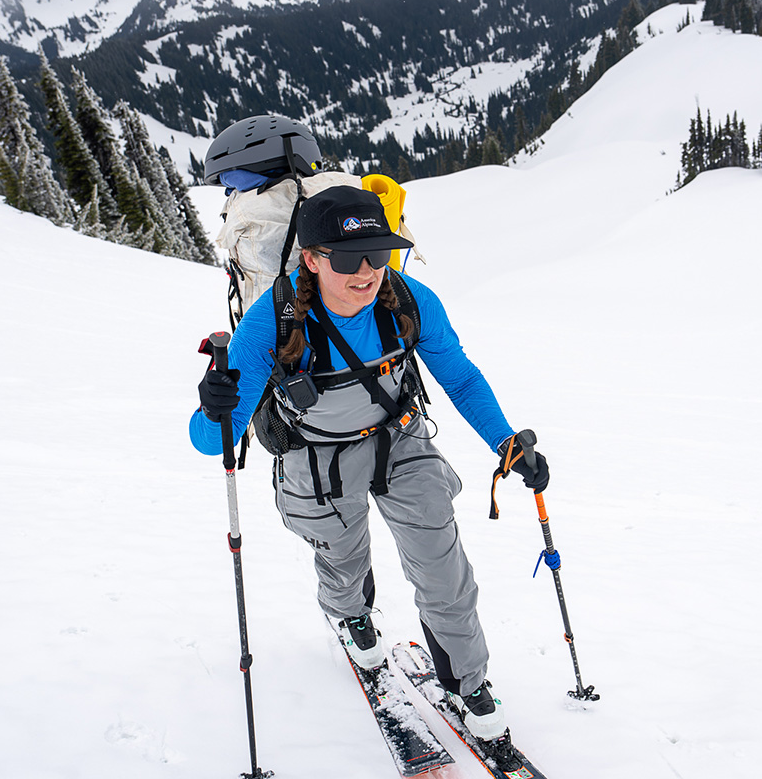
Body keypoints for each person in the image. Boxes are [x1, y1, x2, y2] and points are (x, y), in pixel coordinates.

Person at [189, 184, 550, 747]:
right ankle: (352, 615)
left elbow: (459, 377)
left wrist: (506, 444)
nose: (367, 271)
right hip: (314, 455)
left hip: (399, 441)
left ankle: (467, 683)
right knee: (342, 557)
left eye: (378, 254)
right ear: (311, 259)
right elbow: (216, 441)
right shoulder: (273, 321)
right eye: (349, 258)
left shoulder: (409, 300)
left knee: (443, 567)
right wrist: (214, 406)